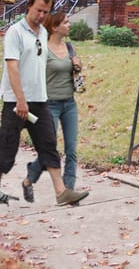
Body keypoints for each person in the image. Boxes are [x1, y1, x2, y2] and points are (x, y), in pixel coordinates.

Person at [0, 0, 88, 205]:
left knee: (48, 144)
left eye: (46, 12)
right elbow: (12, 68)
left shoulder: (42, 33)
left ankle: (61, 192)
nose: (41, 15)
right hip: (16, 102)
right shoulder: (15, 32)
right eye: (38, 10)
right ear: (29, 6)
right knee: (6, 149)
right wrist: (20, 100)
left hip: (40, 101)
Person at [23, 12, 82, 200]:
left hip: (69, 104)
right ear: (54, 27)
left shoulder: (70, 47)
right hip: (50, 105)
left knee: (71, 149)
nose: (69, 25)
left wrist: (77, 66)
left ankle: (69, 189)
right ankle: (30, 177)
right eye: (65, 22)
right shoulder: (43, 50)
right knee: (50, 147)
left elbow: (73, 75)